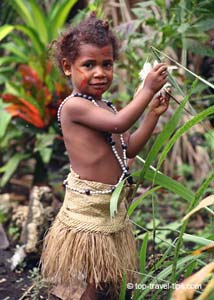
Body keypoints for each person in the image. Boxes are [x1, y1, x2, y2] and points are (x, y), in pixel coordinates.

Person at [41, 12, 170, 300]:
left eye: (107, 64)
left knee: (107, 283)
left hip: (110, 207)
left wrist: (152, 115)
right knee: (95, 284)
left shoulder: (105, 107)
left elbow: (129, 147)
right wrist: (147, 89)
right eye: (89, 65)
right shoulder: (74, 106)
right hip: (89, 209)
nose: (100, 72)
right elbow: (120, 124)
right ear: (67, 67)